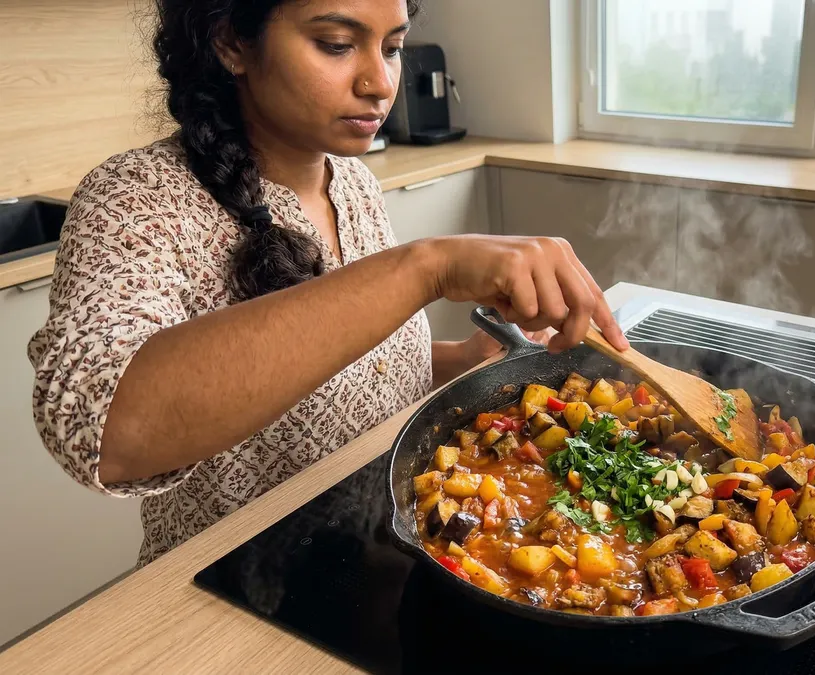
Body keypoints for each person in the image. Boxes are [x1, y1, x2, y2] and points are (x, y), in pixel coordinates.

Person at [27, 0, 628, 567]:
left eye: (392, 48)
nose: (381, 82)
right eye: (337, 44)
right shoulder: (137, 200)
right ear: (231, 41)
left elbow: (352, 376)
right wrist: (425, 266)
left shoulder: (354, 183)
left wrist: (461, 360)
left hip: (381, 549)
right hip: (236, 590)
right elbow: (105, 432)